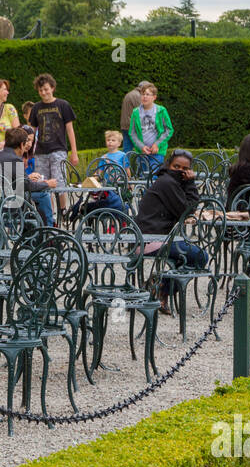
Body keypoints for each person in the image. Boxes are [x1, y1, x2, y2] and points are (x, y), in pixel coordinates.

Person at [135, 150, 209, 312]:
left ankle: (158, 285)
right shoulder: (167, 183)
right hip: (150, 241)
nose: (179, 171)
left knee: (189, 257)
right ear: (168, 165)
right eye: (176, 166)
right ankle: (161, 287)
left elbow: (183, 208)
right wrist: (190, 183)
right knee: (201, 257)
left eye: (184, 169)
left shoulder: (168, 181)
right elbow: (186, 209)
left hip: (155, 239)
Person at [26, 74, 79, 213]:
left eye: (46, 89)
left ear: (52, 88)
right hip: (40, 152)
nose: (43, 92)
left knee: (59, 182)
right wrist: (27, 150)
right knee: (43, 184)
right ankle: (51, 213)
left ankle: (63, 210)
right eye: (40, 90)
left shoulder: (63, 105)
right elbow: (31, 131)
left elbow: (70, 129)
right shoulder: (36, 108)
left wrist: (74, 152)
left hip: (58, 149)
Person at [0, 127, 55, 226]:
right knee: (43, 195)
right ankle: (49, 230)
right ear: (21, 145)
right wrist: (47, 183)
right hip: (8, 205)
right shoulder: (15, 159)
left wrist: (28, 179)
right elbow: (28, 186)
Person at [80, 131, 130, 216]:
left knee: (120, 202)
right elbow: (99, 173)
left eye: (113, 140)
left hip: (120, 184)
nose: (110, 142)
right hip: (108, 185)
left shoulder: (122, 155)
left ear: (119, 143)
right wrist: (91, 180)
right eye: (108, 140)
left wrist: (128, 182)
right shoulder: (104, 157)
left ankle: (121, 219)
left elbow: (127, 171)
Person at [128, 84, 174, 174]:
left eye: (148, 94)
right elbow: (132, 133)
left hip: (157, 152)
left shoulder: (161, 110)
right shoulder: (135, 112)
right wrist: (141, 147)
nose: (144, 97)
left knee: (154, 178)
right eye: (143, 94)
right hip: (142, 152)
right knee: (142, 178)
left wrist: (157, 144)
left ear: (154, 97)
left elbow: (169, 129)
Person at [120, 81, 152, 153]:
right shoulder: (138, 96)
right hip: (133, 126)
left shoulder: (130, 94)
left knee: (127, 149)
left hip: (125, 125)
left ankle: (125, 164)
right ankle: (139, 164)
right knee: (140, 149)